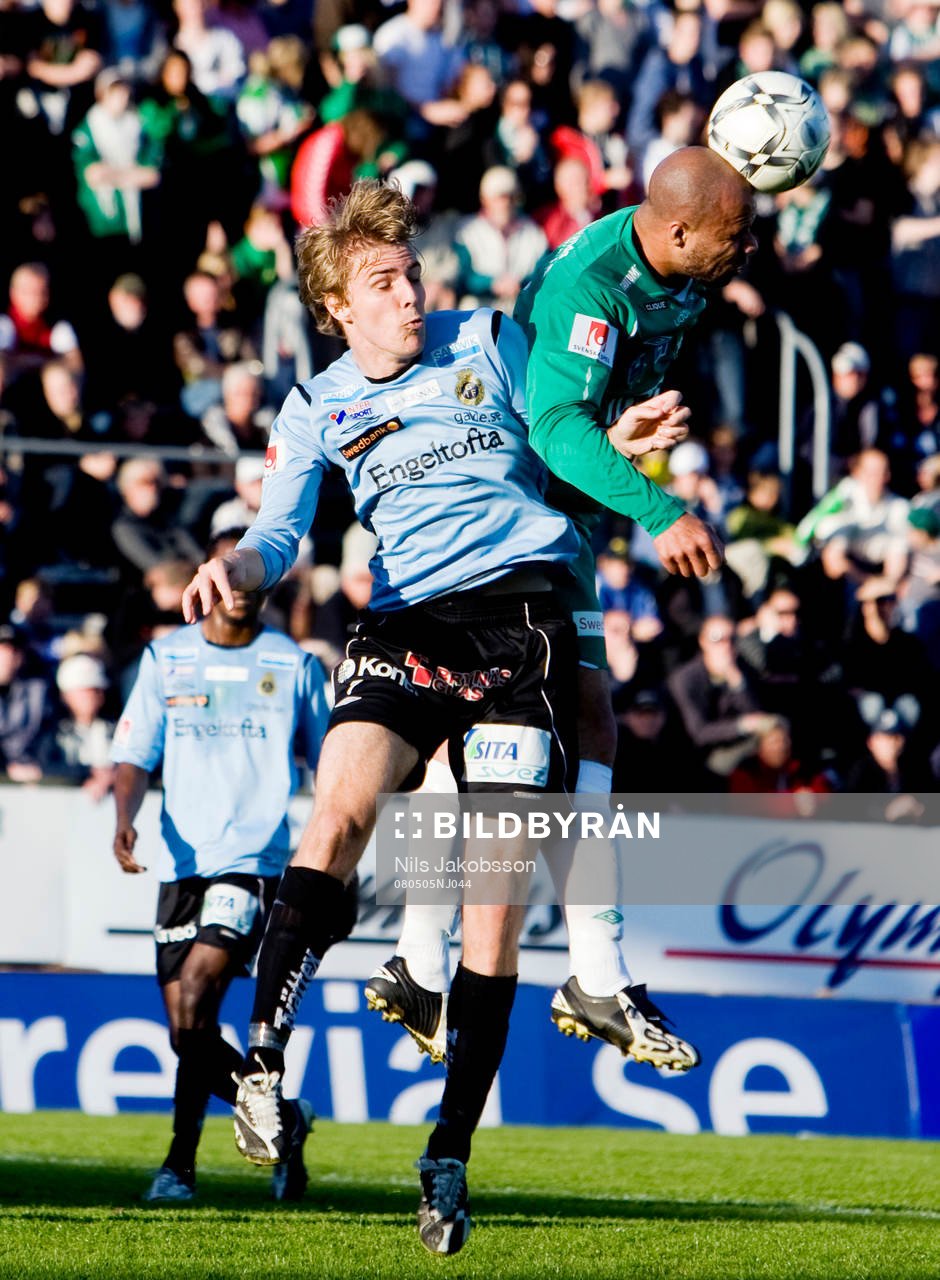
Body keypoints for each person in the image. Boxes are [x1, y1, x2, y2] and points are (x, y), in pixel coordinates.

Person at [181, 180, 582, 1255]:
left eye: (409, 274)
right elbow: (280, 537)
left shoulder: (487, 340)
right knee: (339, 811)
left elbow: (567, 418)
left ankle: (447, 1153)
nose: (410, 294)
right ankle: (263, 1060)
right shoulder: (315, 404)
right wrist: (235, 567)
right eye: (383, 284)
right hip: (408, 624)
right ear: (338, 311)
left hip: (519, 623)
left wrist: (620, 433)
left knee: (491, 905)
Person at [378, 147, 751, 1076]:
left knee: (588, 730)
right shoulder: (594, 285)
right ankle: (436, 963)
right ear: (674, 231)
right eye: (732, 236)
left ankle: (580, 971)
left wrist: (617, 434)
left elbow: (576, 419)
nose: (745, 250)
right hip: (499, 527)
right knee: (462, 739)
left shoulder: (677, 262)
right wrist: (658, 507)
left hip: (557, 520)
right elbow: (550, 428)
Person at [111, 528, 330, 1204]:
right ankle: (280, 1121)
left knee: (201, 993)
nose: (241, 586)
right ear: (207, 577)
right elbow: (133, 753)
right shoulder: (166, 657)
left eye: (253, 574)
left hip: (252, 860)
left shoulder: (293, 666)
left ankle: (179, 1166)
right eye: (229, 572)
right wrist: (125, 817)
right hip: (182, 862)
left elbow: (331, 768)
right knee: (187, 1030)